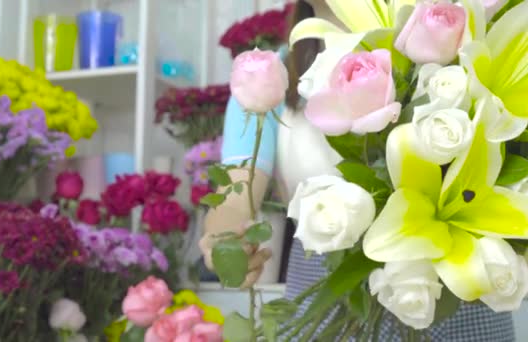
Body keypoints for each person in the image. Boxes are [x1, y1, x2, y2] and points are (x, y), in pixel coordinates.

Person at [199, 0, 516, 341]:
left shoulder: (442, 39)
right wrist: (225, 237)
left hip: (452, 295)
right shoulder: (265, 76)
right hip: (325, 300)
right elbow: (235, 196)